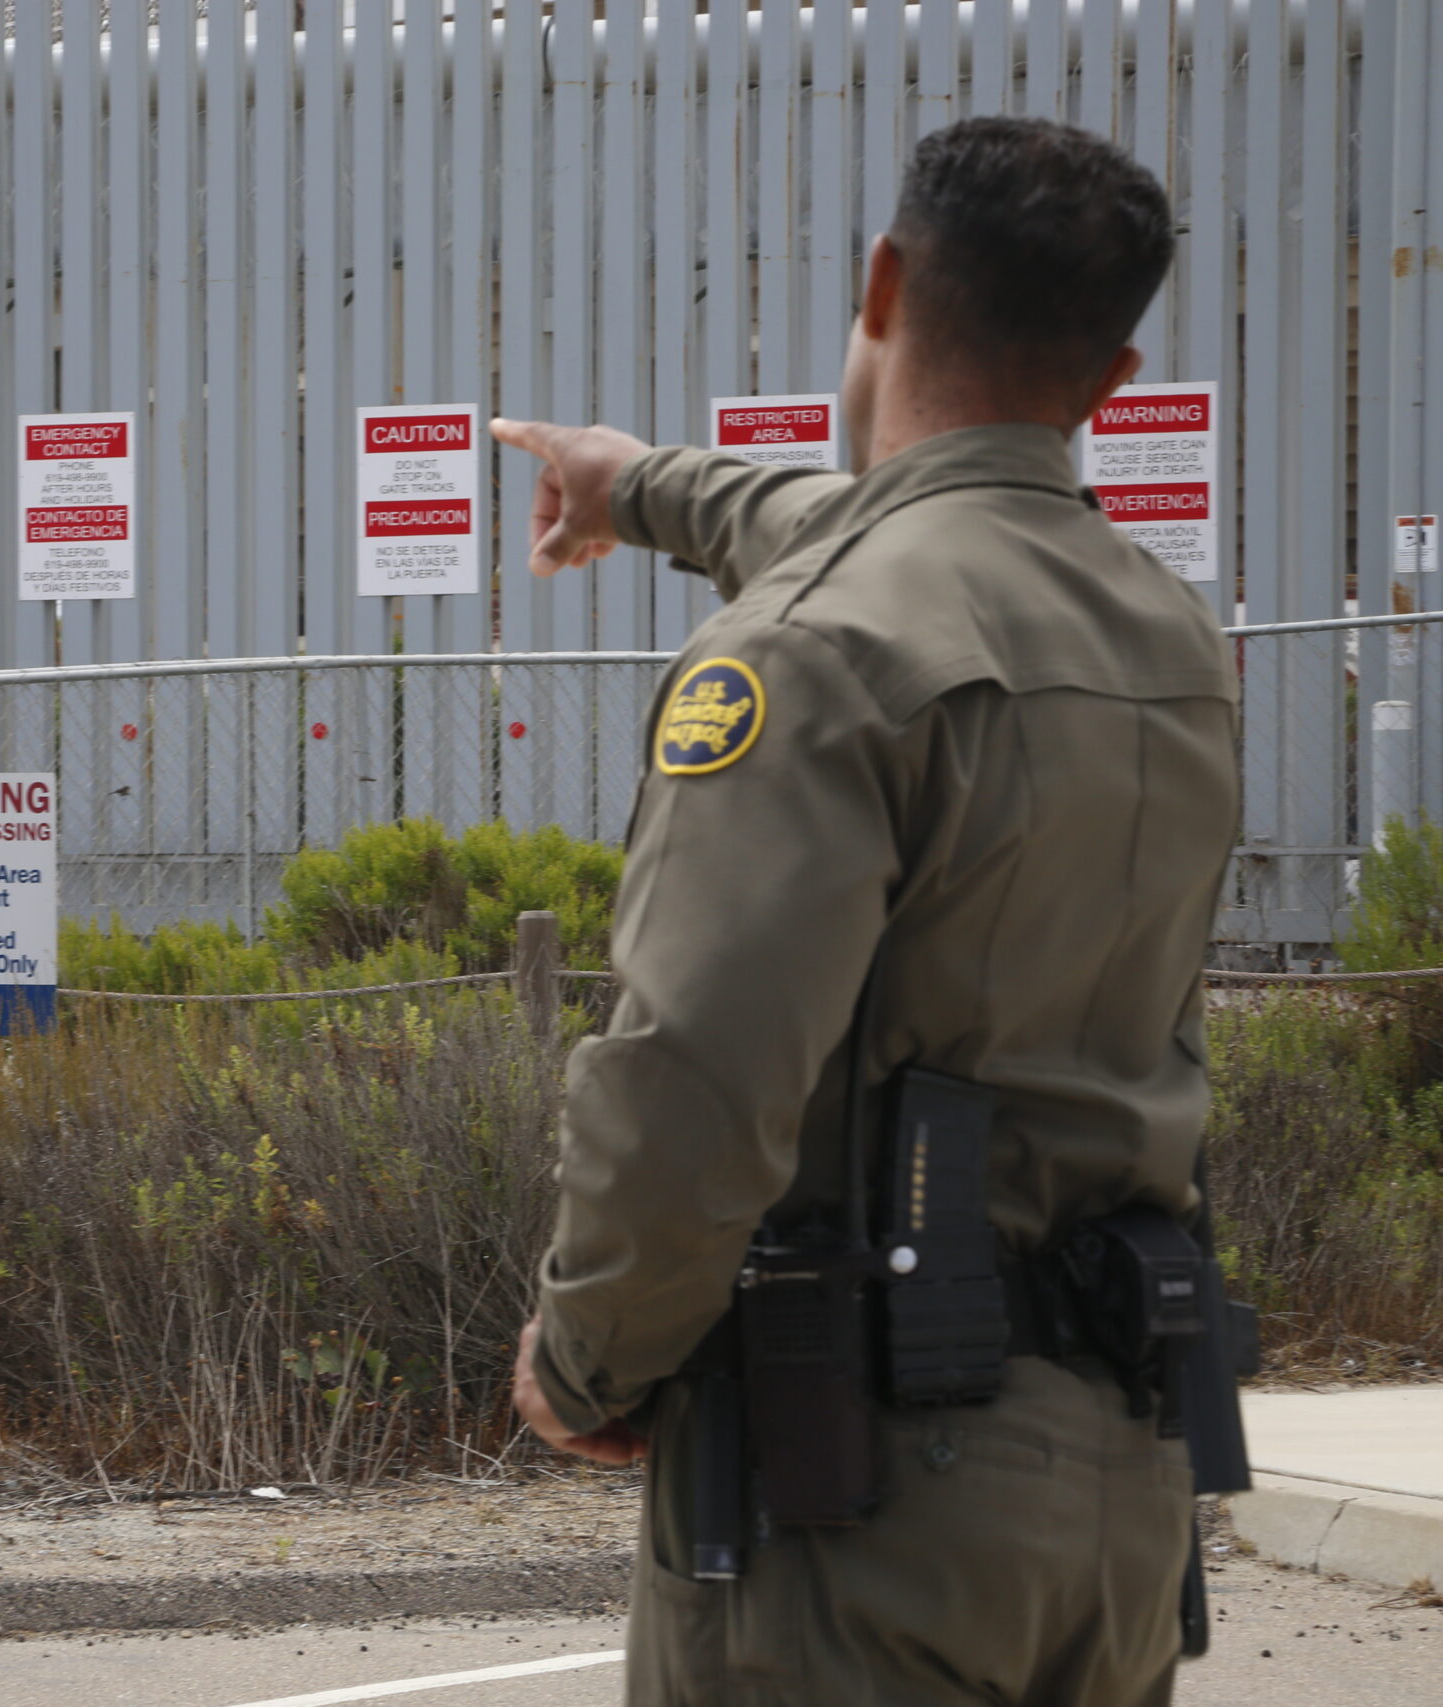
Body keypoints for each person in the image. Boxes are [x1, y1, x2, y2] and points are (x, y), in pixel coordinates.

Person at [492, 116, 1238, 1704]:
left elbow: (695, 1074)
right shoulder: (1170, 636)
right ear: (1114, 378)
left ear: (883, 283)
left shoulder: (813, 653)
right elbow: (874, 527)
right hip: (1120, 1496)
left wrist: (589, 1353)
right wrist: (639, 485)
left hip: (858, 1509)